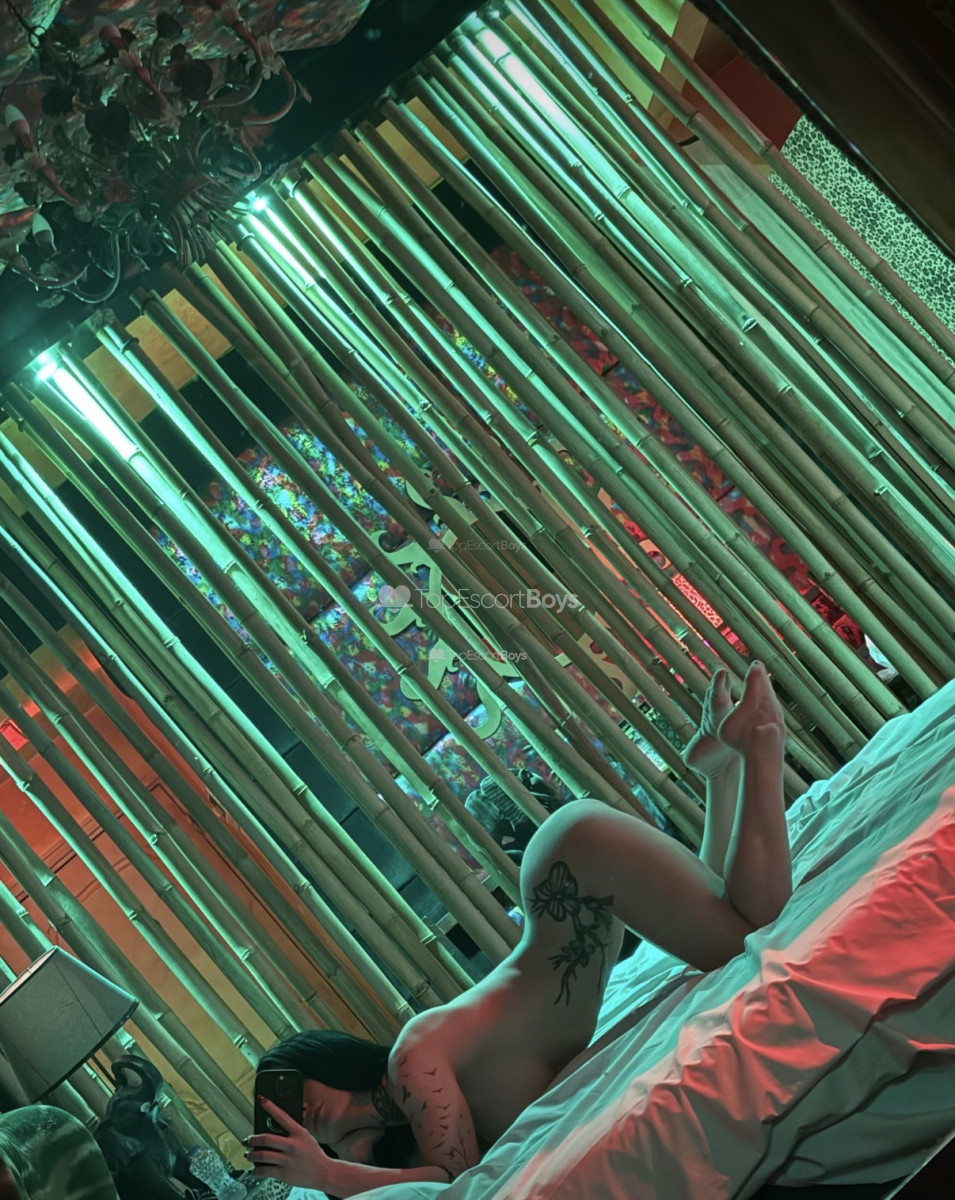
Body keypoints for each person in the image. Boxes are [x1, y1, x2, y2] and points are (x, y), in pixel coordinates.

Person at [248, 661, 793, 1196]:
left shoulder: (411, 1058)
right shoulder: (396, 1137)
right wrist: (338, 1159)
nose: (298, 1108)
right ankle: (722, 772)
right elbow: (416, 1183)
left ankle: (762, 743)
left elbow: (456, 1182)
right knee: (723, 921)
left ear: (326, 1060)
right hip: (573, 884)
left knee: (756, 932)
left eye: (290, 1085)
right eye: (277, 1111)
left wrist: (327, 1174)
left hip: (571, 868)